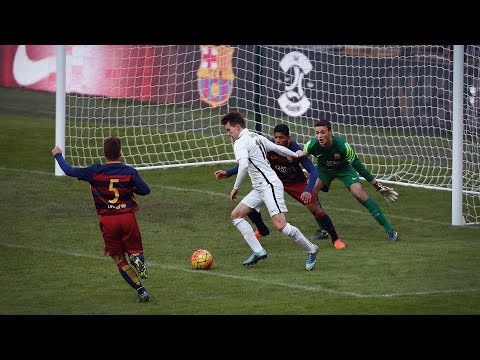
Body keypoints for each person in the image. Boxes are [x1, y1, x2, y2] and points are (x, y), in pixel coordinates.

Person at [52, 136, 152, 303]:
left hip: (108, 220)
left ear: (103, 153)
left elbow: (69, 170)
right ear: (121, 153)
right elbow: (145, 190)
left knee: (119, 258)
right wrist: (130, 189)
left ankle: (141, 291)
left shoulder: (95, 171)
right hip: (127, 218)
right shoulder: (129, 171)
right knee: (135, 250)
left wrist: (58, 155)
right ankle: (137, 259)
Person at [215, 123, 346, 250]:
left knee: (316, 209)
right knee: (250, 204)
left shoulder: (295, 149)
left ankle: (335, 238)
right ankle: (261, 229)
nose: (277, 140)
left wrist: (308, 190)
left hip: (296, 183)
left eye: (281, 138)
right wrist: (228, 173)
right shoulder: (269, 145)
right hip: (273, 180)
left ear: (289, 138)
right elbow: (249, 161)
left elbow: (314, 171)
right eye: (276, 137)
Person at [220, 111, 319, 270]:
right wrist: (295, 154)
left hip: (270, 186)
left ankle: (312, 249)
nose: (228, 134)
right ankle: (258, 251)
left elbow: (244, 165)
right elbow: (277, 148)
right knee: (236, 216)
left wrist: (235, 187)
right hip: (261, 186)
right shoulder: (256, 136)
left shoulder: (240, 143)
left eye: (228, 130)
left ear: (237, 127)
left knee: (281, 226)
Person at [303, 119, 399, 242]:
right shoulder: (311, 145)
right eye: (317, 133)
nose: (320, 136)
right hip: (324, 170)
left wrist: (377, 185)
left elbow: (358, 166)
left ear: (330, 132)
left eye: (323, 132)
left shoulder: (342, 145)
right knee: (311, 192)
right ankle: (323, 229)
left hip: (344, 169)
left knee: (358, 193)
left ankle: (390, 230)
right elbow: (300, 158)